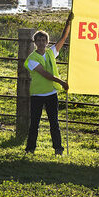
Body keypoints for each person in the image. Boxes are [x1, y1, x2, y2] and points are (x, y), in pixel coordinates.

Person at [24, 13, 73, 155]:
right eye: (38, 40)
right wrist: (61, 82)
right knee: (34, 124)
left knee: (54, 124)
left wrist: (68, 22)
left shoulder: (51, 52)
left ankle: (58, 149)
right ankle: (30, 149)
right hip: (37, 95)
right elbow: (45, 74)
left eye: (43, 40)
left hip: (51, 94)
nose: (40, 42)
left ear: (47, 41)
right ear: (35, 42)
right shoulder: (32, 58)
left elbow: (63, 38)